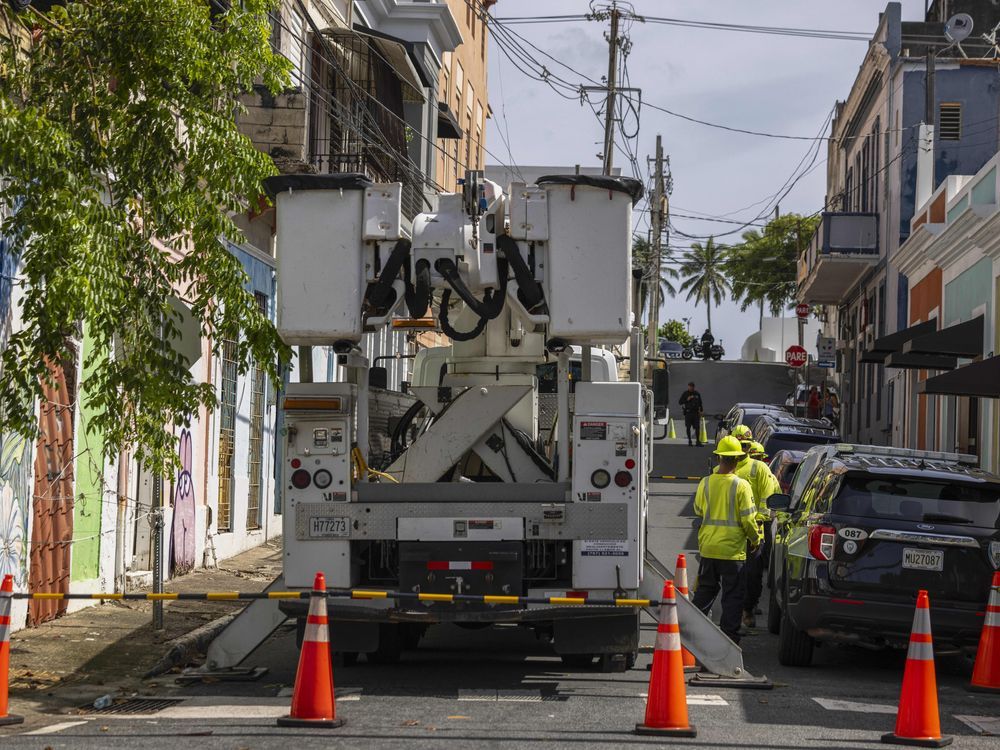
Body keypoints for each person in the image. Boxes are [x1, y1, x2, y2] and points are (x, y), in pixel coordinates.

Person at [692, 435, 763, 644]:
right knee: (732, 597)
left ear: (718, 458)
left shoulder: (705, 483)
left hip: (708, 548)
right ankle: (728, 639)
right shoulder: (741, 486)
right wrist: (755, 539)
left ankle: (692, 634)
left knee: (705, 593)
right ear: (739, 459)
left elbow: (698, 510)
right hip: (732, 552)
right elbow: (749, 520)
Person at [728, 429, 781, 628]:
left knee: (753, 575)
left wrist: (758, 520)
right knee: (731, 576)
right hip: (730, 535)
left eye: (747, 445)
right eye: (741, 445)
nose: (745, 448)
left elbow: (767, 500)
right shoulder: (724, 469)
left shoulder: (759, 468)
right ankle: (733, 615)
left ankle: (748, 609)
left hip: (754, 533)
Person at [678, 381, 704, 447]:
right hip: (688, 413)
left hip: (695, 413)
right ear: (688, 387)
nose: (690, 388)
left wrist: (701, 411)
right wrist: (687, 399)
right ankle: (690, 441)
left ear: (693, 387)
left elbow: (700, 403)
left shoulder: (697, 394)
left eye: (692, 387)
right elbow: (680, 402)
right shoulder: (685, 393)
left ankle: (698, 441)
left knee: (697, 427)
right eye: (689, 387)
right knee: (688, 427)